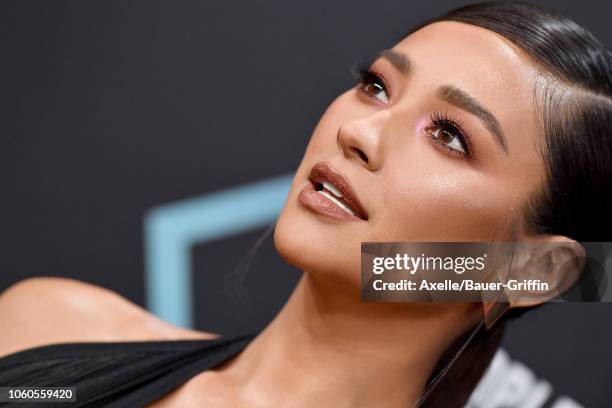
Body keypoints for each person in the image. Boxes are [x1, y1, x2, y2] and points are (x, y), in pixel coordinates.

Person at [1, 2, 611, 407]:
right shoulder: (47, 328)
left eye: (449, 136)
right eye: (377, 86)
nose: (360, 133)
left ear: (536, 271)